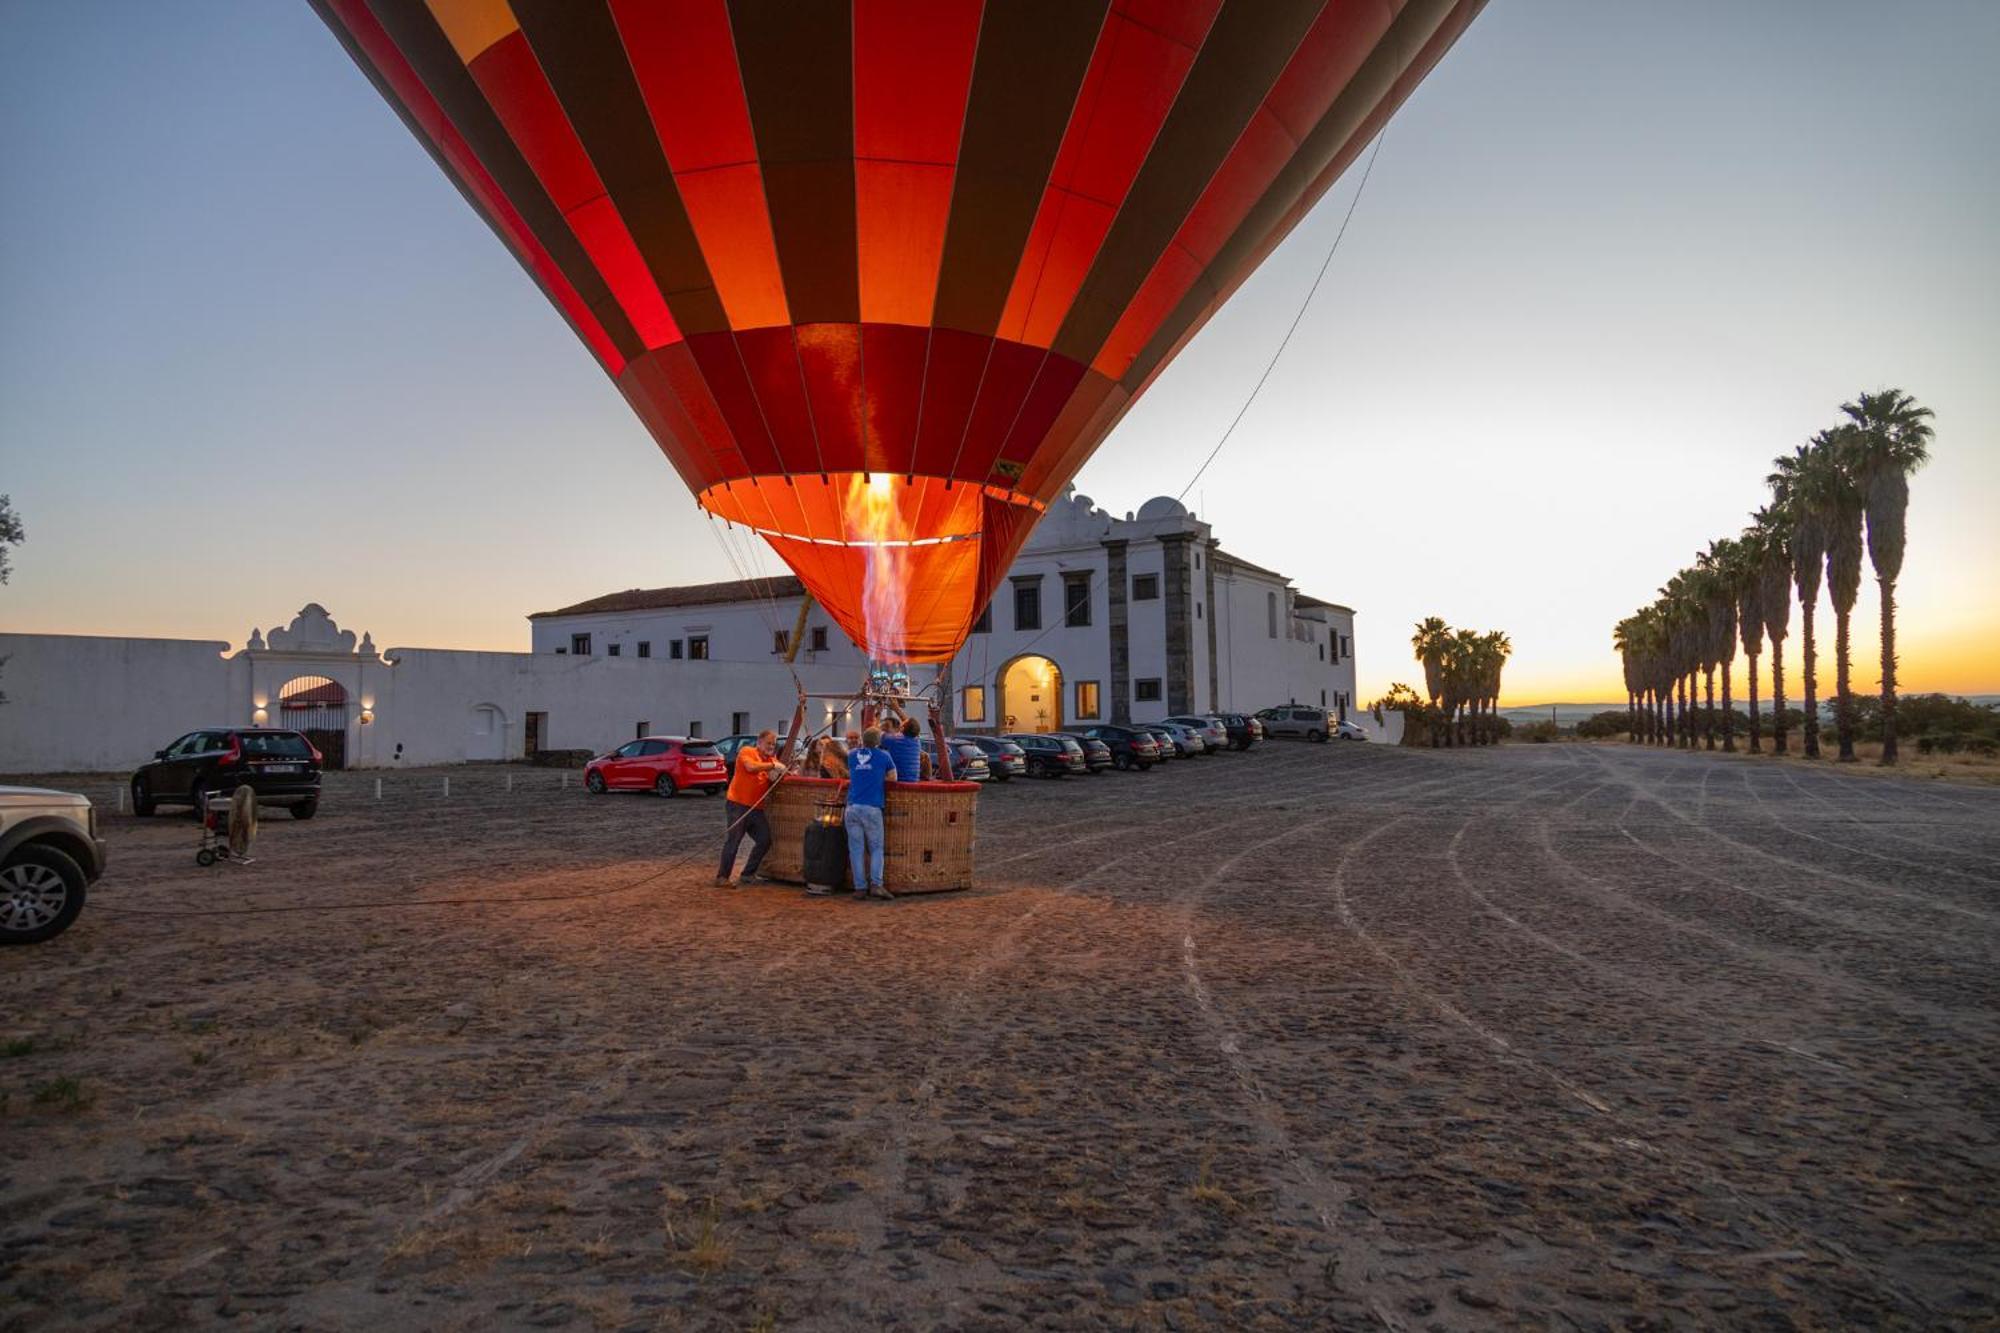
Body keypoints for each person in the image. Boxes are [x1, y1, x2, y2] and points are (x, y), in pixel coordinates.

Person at [717, 729, 786, 886]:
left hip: (756, 808)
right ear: (759, 742)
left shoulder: (771, 759)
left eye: (773, 744)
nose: (771, 746)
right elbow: (750, 767)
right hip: (738, 804)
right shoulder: (747, 752)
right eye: (768, 743)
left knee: (765, 839)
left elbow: (775, 775)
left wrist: (780, 773)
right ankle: (722, 877)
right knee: (734, 840)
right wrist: (772, 766)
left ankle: (748, 873)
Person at [844, 726, 897, 900]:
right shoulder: (884, 756)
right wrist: (878, 778)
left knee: (856, 849)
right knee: (876, 848)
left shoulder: (852, 755)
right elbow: (893, 777)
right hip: (872, 806)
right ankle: (876, 884)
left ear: (862, 740)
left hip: (852, 807)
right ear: (878, 741)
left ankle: (859, 887)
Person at [883, 715, 925, 784]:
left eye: (887, 726)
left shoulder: (893, 740)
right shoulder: (917, 742)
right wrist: (896, 708)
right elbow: (912, 726)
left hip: (898, 780)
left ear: (902, 728)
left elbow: (873, 736)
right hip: (913, 780)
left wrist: (879, 720)